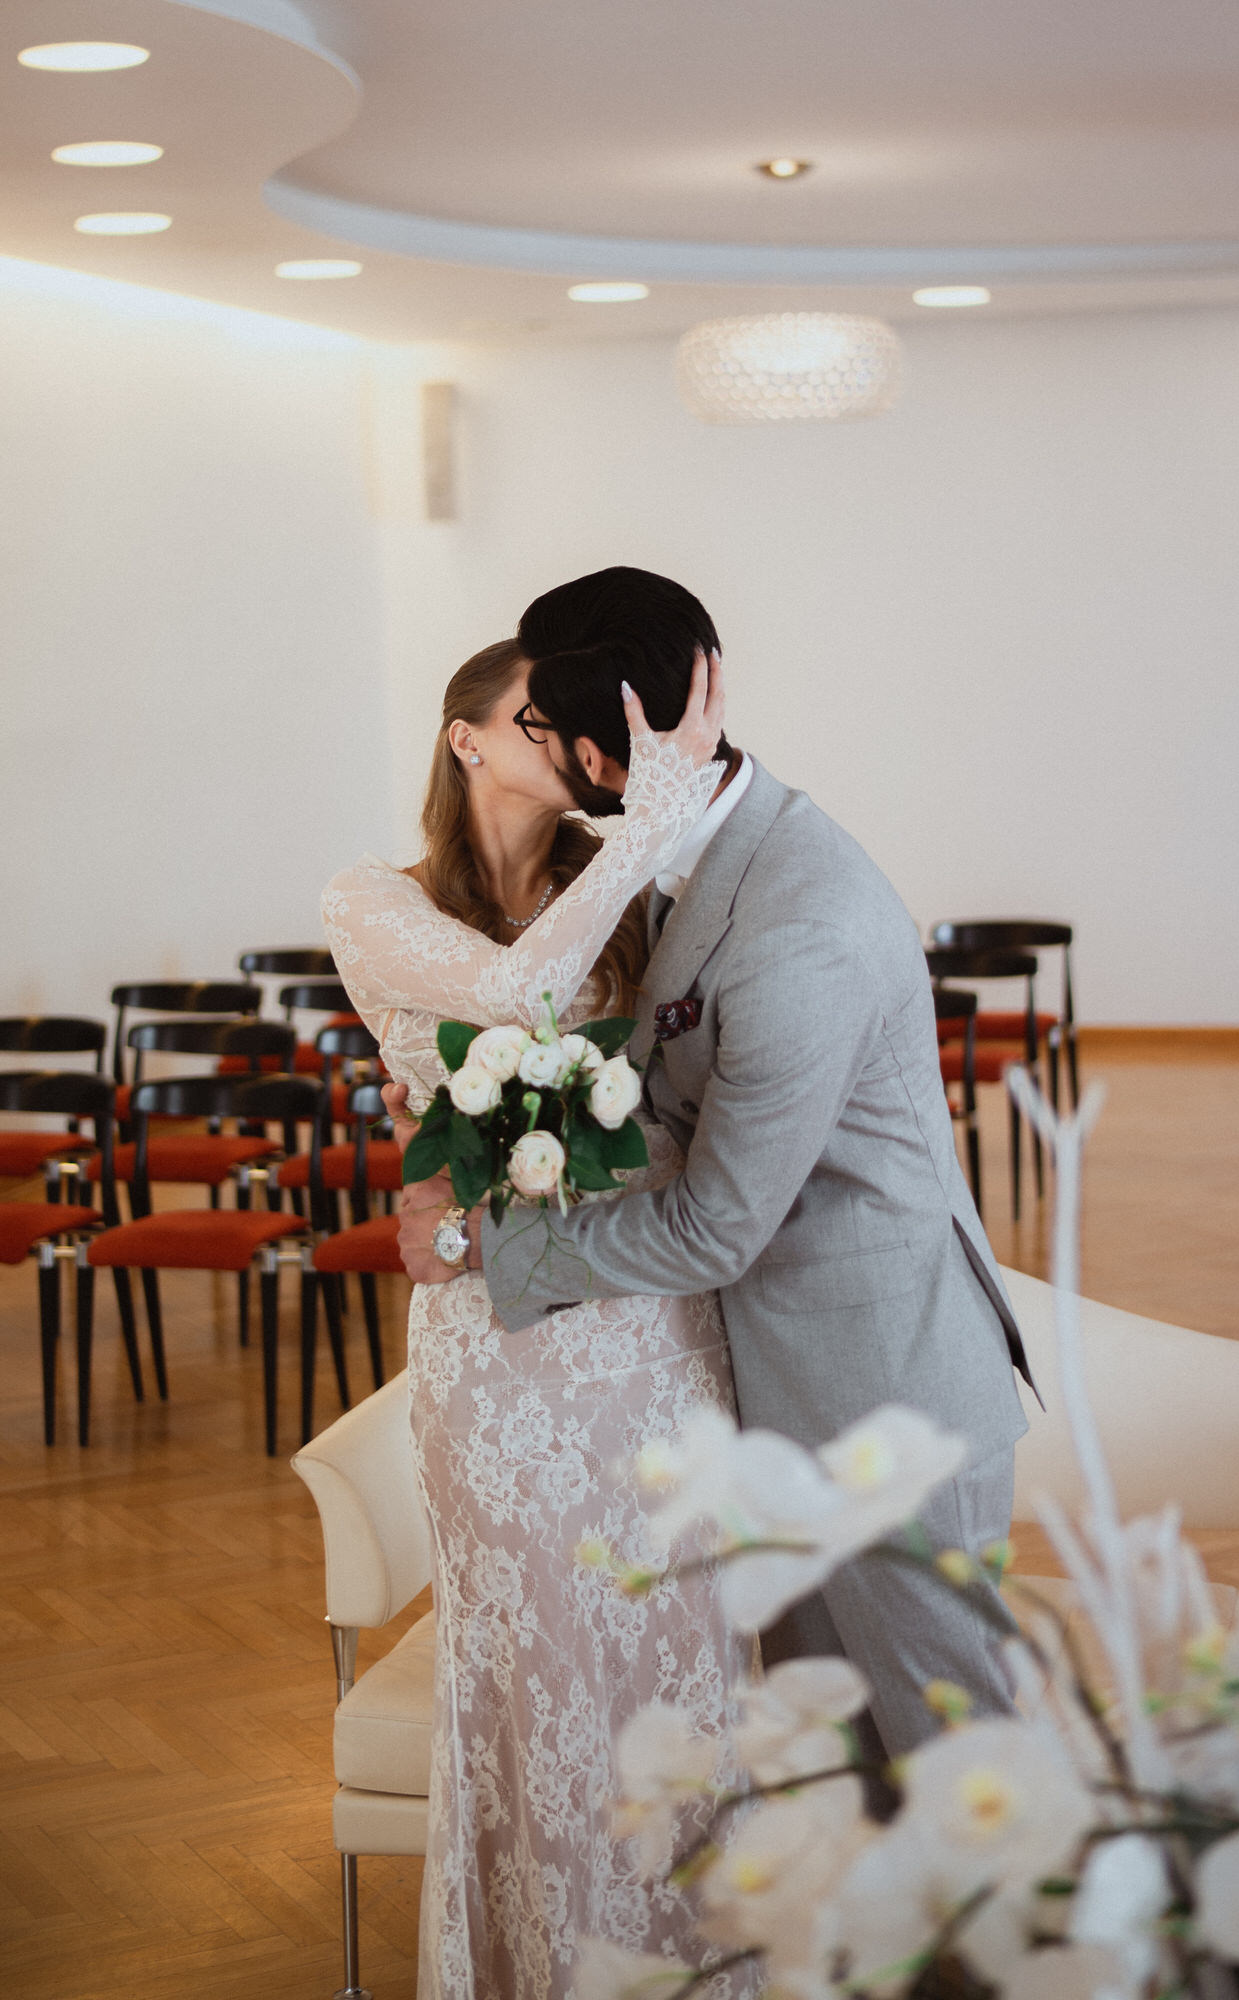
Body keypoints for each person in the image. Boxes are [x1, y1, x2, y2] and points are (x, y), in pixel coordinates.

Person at [397, 567, 1038, 1764]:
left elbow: (717, 1225)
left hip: (879, 1393)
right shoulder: (692, 847)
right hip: (785, 1381)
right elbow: (652, 1080)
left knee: (972, 1770)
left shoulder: (802, 922)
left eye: (540, 726)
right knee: (841, 1769)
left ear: (597, 756)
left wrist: (488, 1242)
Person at [322, 637, 758, 2000]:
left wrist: (656, 836)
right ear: (465, 741)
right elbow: (508, 994)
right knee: (532, 1672)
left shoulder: (627, 894)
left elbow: (687, 1115)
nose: (567, 744)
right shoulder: (367, 903)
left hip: (649, 1331)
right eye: (536, 720)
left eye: (574, 723)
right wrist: (651, 833)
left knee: (679, 1654)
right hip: (495, 1360)